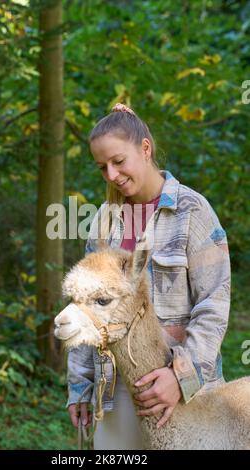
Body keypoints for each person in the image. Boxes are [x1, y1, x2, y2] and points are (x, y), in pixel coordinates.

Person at [67, 103, 231, 450]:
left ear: (145, 148)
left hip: (186, 397)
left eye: (118, 161)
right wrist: (79, 386)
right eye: (102, 167)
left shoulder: (192, 211)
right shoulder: (103, 223)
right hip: (114, 393)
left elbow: (214, 303)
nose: (111, 175)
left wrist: (179, 377)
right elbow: (86, 309)